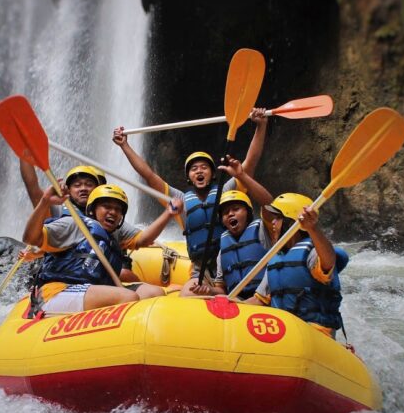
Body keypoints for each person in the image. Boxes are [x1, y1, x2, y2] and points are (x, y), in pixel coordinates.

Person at [112, 108, 272, 283]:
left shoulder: (226, 191)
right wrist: (124, 146)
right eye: (194, 169)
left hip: (229, 261)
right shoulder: (179, 200)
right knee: (188, 294)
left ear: (212, 173)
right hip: (199, 270)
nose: (199, 171)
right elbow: (149, 176)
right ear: (189, 177)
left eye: (204, 167)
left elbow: (249, 165)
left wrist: (260, 127)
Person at [23, 183, 182, 312]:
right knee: (127, 297)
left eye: (118, 209)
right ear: (92, 209)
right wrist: (44, 201)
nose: (113, 212)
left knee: (154, 293)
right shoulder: (74, 224)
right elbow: (31, 238)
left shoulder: (114, 234)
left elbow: (144, 239)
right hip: (56, 292)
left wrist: (168, 213)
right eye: (106, 206)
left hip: (92, 289)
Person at [19, 161, 141, 282]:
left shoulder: (110, 216)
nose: (84, 189)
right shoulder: (60, 209)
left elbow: (140, 238)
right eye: (78, 185)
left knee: (126, 274)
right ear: (69, 189)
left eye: (90, 185)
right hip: (71, 271)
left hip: (103, 266)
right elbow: (32, 187)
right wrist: (25, 155)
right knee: (123, 274)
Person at [249, 193, 349, 338]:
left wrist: (313, 229)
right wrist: (228, 302)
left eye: (277, 218)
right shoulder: (276, 260)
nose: (273, 224)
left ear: (291, 223)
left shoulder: (313, 251)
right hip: (285, 332)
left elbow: (328, 262)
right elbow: (259, 300)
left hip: (316, 334)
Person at [182, 157, 274, 298]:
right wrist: (209, 291)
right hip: (238, 302)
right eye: (225, 213)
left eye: (236, 209)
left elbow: (270, 205)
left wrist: (241, 175)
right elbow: (221, 291)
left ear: (248, 213)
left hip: (263, 298)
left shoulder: (263, 230)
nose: (230, 214)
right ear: (222, 221)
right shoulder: (223, 249)